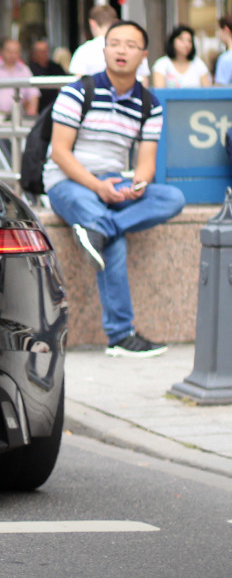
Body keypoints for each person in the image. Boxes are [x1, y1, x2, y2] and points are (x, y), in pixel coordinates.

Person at [43, 20, 185, 357]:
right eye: (115, 43)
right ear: (104, 49)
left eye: (131, 45)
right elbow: (60, 153)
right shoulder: (78, 91)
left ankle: (102, 230)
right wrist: (97, 186)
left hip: (115, 180)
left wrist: (138, 185)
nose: (122, 51)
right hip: (69, 183)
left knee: (172, 197)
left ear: (144, 56)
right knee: (109, 232)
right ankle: (121, 335)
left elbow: (146, 161)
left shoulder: (150, 104)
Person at [70, 4, 150, 80]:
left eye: (130, 45)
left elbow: (79, 81)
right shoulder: (136, 51)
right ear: (104, 51)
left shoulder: (83, 51)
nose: (121, 51)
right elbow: (143, 81)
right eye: (113, 44)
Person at [0, 39, 39, 119]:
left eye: (16, 52)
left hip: (16, 117)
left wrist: (31, 113)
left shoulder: (24, 70)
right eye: (9, 51)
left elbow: (33, 94)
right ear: (2, 51)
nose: (12, 55)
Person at [28, 39, 67, 112]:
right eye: (41, 51)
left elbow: (64, 85)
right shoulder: (29, 69)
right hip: (38, 108)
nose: (45, 53)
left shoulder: (55, 67)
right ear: (35, 53)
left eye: (46, 51)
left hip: (55, 106)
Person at [214, 17, 232, 86]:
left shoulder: (225, 59)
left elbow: (220, 89)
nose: (218, 35)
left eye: (219, 30)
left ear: (226, 29)